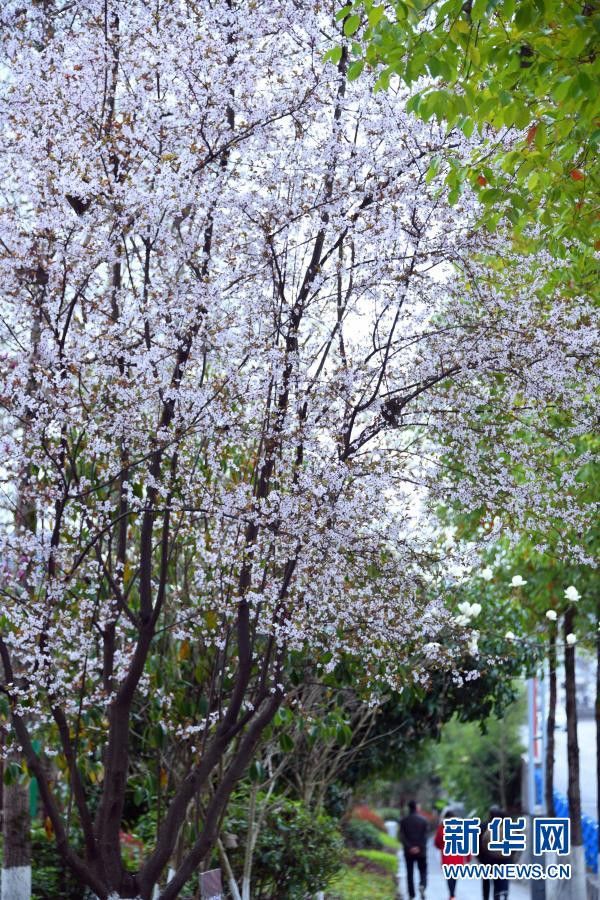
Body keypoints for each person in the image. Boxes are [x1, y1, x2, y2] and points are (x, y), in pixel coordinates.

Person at [434, 810, 471, 899]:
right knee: (454, 876)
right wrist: (468, 857)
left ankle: (452, 894)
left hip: (447, 856)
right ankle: (452, 894)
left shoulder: (442, 827)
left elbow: (437, 842)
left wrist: (441, 847)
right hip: (458, 856)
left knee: (449, 876)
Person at [479, 806, 509, 900]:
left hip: (486, 860)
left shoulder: (483, 826)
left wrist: (480, 858)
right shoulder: (506, 827)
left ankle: (486, 897)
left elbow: (477, 844)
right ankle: (499, 896)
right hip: (501, 859)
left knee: (486, 881)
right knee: (499, 881)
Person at [399, 799, 428, 899]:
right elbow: (424, 837)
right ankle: (422, 885)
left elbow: (402, 836)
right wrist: (418, 847)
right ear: (416, 807)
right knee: (423, 871)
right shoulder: (423, 820)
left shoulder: (404, 821)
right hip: (421, 851)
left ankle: (411, 894)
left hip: (408, 852)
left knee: (409, 873)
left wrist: (410, 847)